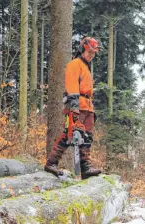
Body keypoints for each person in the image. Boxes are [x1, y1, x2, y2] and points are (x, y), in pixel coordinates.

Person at [44, 37, 102, 179]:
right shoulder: (75, 64)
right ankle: (51, 162)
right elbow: (72, 85)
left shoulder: (86, 68)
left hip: (87, 106)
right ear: (83, 49)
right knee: (70, 134)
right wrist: (74, 106)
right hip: (78, 105)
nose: (91, 55)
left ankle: (85, 168)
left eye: (93, 53)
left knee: (87, 137)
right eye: (89, 52)